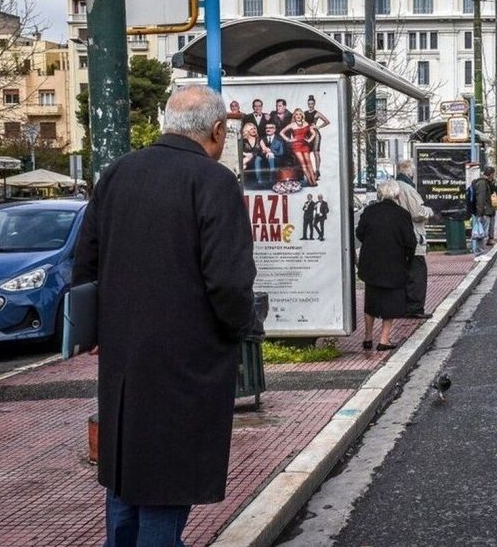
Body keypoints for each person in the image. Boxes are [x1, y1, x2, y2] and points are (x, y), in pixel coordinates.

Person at [72, 85, 255, 547]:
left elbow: (85, 260)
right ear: (217, 130)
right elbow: (228, 281)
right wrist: (239, 329)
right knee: (168, 477)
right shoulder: (213, 181)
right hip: (187, 358)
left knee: (127, 470)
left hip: (123, 359)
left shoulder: (118, 173)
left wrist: (93, 329)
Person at [355, 179, 416, 351]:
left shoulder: (369, 211)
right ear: (397, 195)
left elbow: (359, 233)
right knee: (391, 301)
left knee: (371, 300)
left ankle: (368, 338)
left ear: (380, 194)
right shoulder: (402, 214)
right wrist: (407, 262)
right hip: (394, 264)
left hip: (371, 264)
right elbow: (410, 242)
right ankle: (384, 339)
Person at [394, 159, 434, 319]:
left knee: (403, 271)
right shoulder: (408, 189)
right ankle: (415, 308)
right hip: (413, 235)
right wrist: (429, 211)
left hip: (397, 236)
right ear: (410, 172)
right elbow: (417, 212)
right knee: (417, 272)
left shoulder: (394, 186)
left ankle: (402, 305)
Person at [280, 109, 318, 186]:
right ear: (294, 116)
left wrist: (309, 140)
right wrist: (289, 139)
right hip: (296, 145)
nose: (298, 116)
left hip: (304, 144)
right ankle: (309, 181)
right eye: (296, 114)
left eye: (299, 114)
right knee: (303, 163)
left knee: (309, 162)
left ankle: (314, 181)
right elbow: (281, 132)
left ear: (302, 116)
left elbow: (314, 133)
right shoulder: (292, 125)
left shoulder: (306, 123)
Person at [303, 95, 330, 180]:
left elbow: (327, 121)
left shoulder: (317, 113)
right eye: (309, 104)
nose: (310, 105)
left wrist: (318, 126)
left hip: (315, 135)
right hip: (307, 134)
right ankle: (308, 171)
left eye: (311, 104)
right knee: (306, 153)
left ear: (314, 104)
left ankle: (317, 171)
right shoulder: (305, 113)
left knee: (316, 152)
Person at [472, 166, 496, 249]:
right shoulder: (482, 183)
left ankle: (480, 251)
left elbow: (493, 191)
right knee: (481, 233)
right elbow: (480, 198)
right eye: (493, 174)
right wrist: (480, 213)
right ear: (491, 174)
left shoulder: (486, 182)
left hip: (486, 211)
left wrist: (491, 183)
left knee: (482, 233)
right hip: (484, 212)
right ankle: (479, 252)